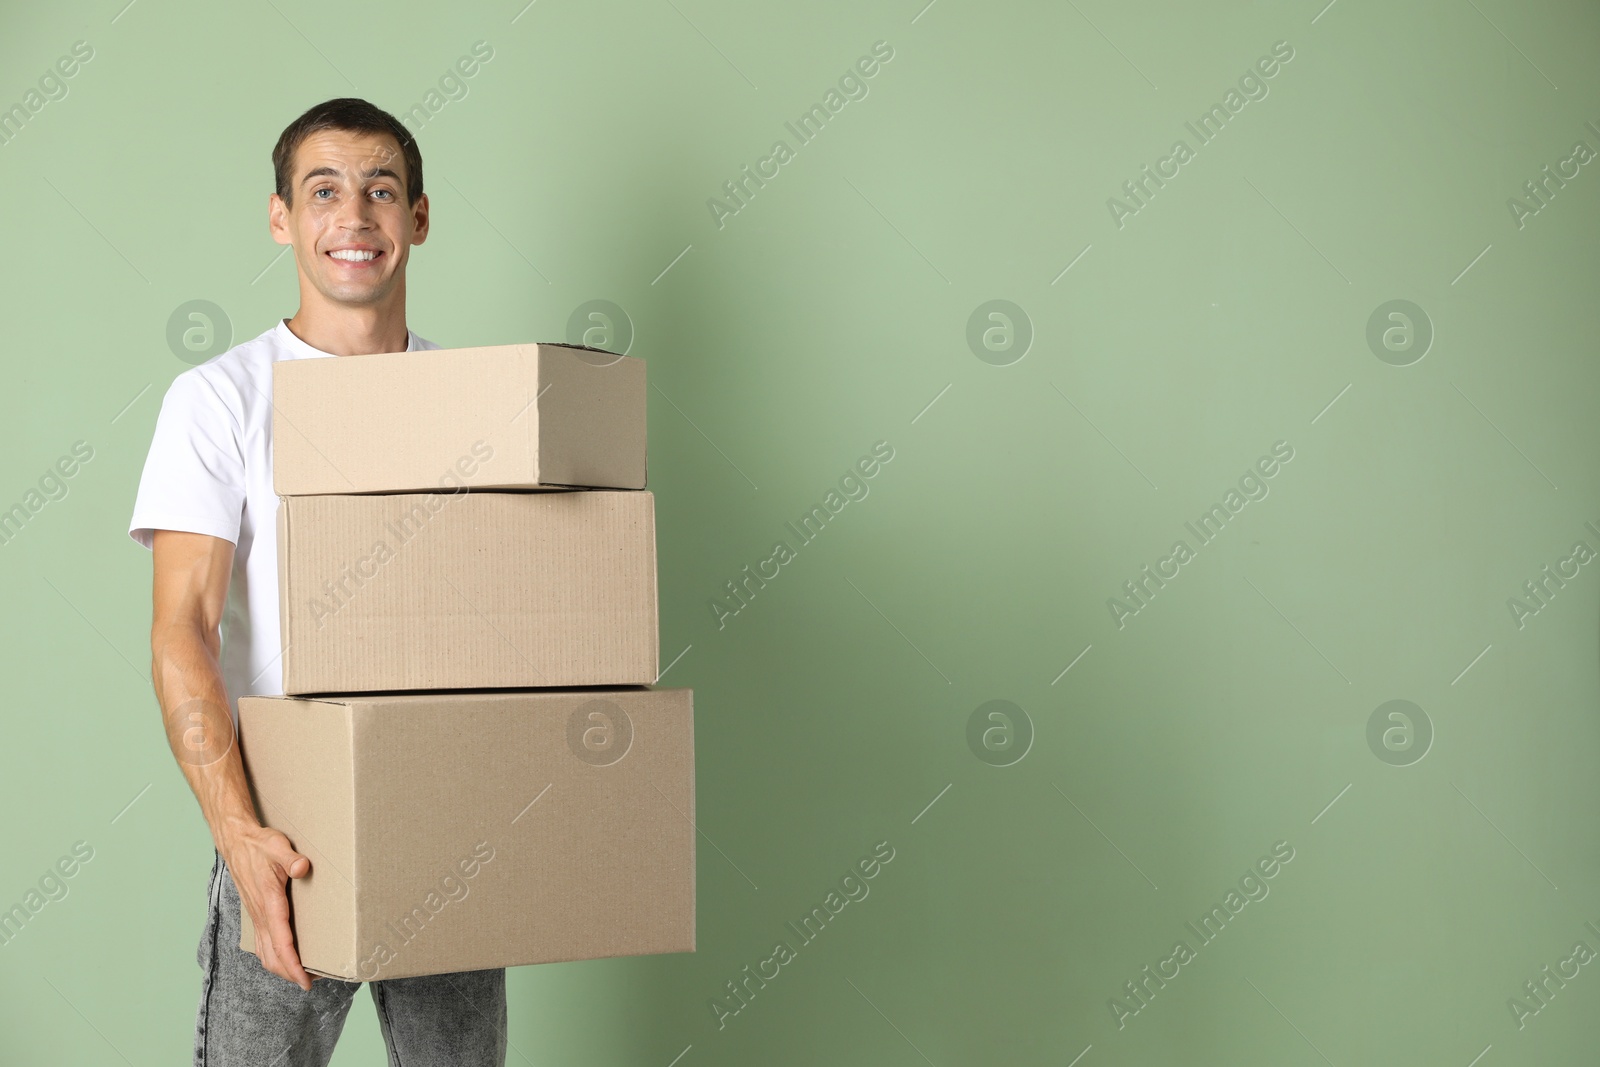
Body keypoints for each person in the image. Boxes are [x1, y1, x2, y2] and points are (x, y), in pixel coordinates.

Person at [129, 97, 507, 1066]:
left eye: (382, 191)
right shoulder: (221, 397)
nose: (355, 216)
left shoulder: (476, 406)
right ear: (281, 217)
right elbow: (182, 628)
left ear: (418, 217)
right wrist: (239, 830)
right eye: (324, 190)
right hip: (284, 826)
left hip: (443, 812)